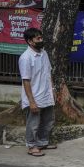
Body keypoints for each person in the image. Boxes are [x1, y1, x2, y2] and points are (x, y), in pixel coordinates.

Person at [18, 28, 56, 157]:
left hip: (46, 94)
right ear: (30, 41)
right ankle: (31, 146)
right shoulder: (26, 58)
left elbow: (48, 73)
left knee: (48, 121)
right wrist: (31, 101)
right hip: (34, 97)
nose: (41, 40)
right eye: (38, 38)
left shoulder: (44, 53)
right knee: (33, 124)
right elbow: (26, 81)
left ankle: (43, 142)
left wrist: (53, 90)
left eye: (41, 37)